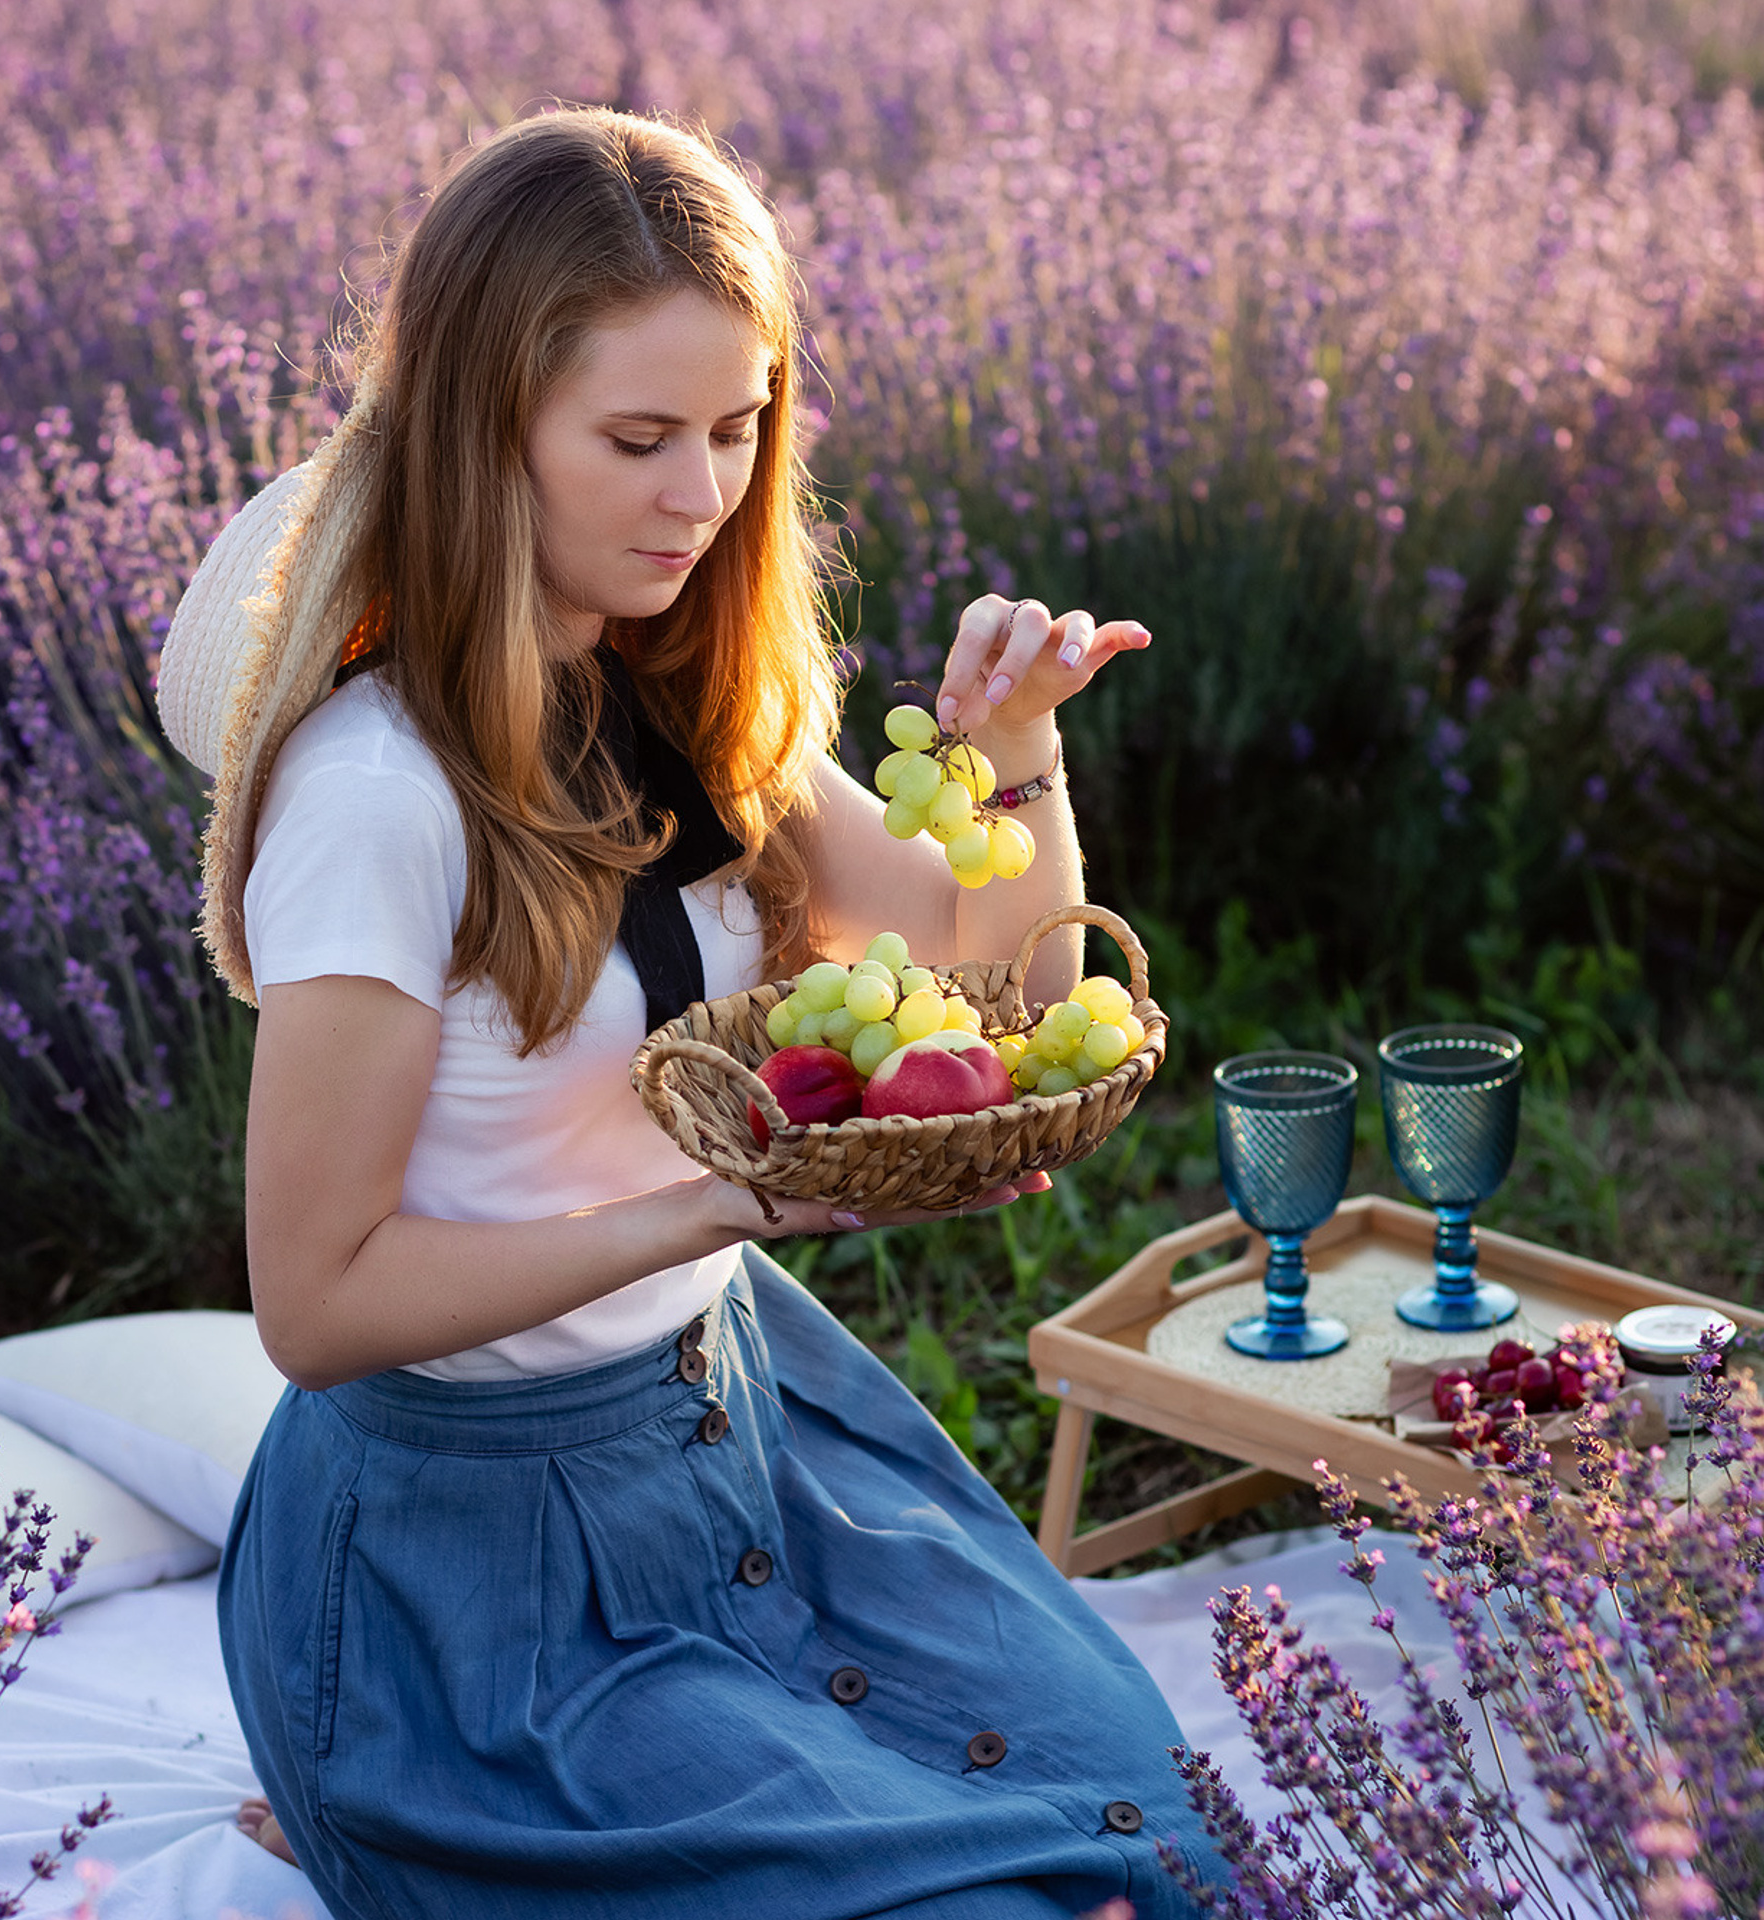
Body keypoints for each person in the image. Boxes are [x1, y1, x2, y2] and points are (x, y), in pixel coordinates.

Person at [158, 105, 1230, 1920]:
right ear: (485, 439)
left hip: (745, 1429)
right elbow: (317, 1304)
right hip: (465, 1563)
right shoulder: (378, 799)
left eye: (738, 431)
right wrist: (721, 1206)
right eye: (638, 439)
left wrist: (1025, 749)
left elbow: (1005, 985)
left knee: (1159, 1838)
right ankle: (358, 1771)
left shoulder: (666, 686)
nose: (701, 496)